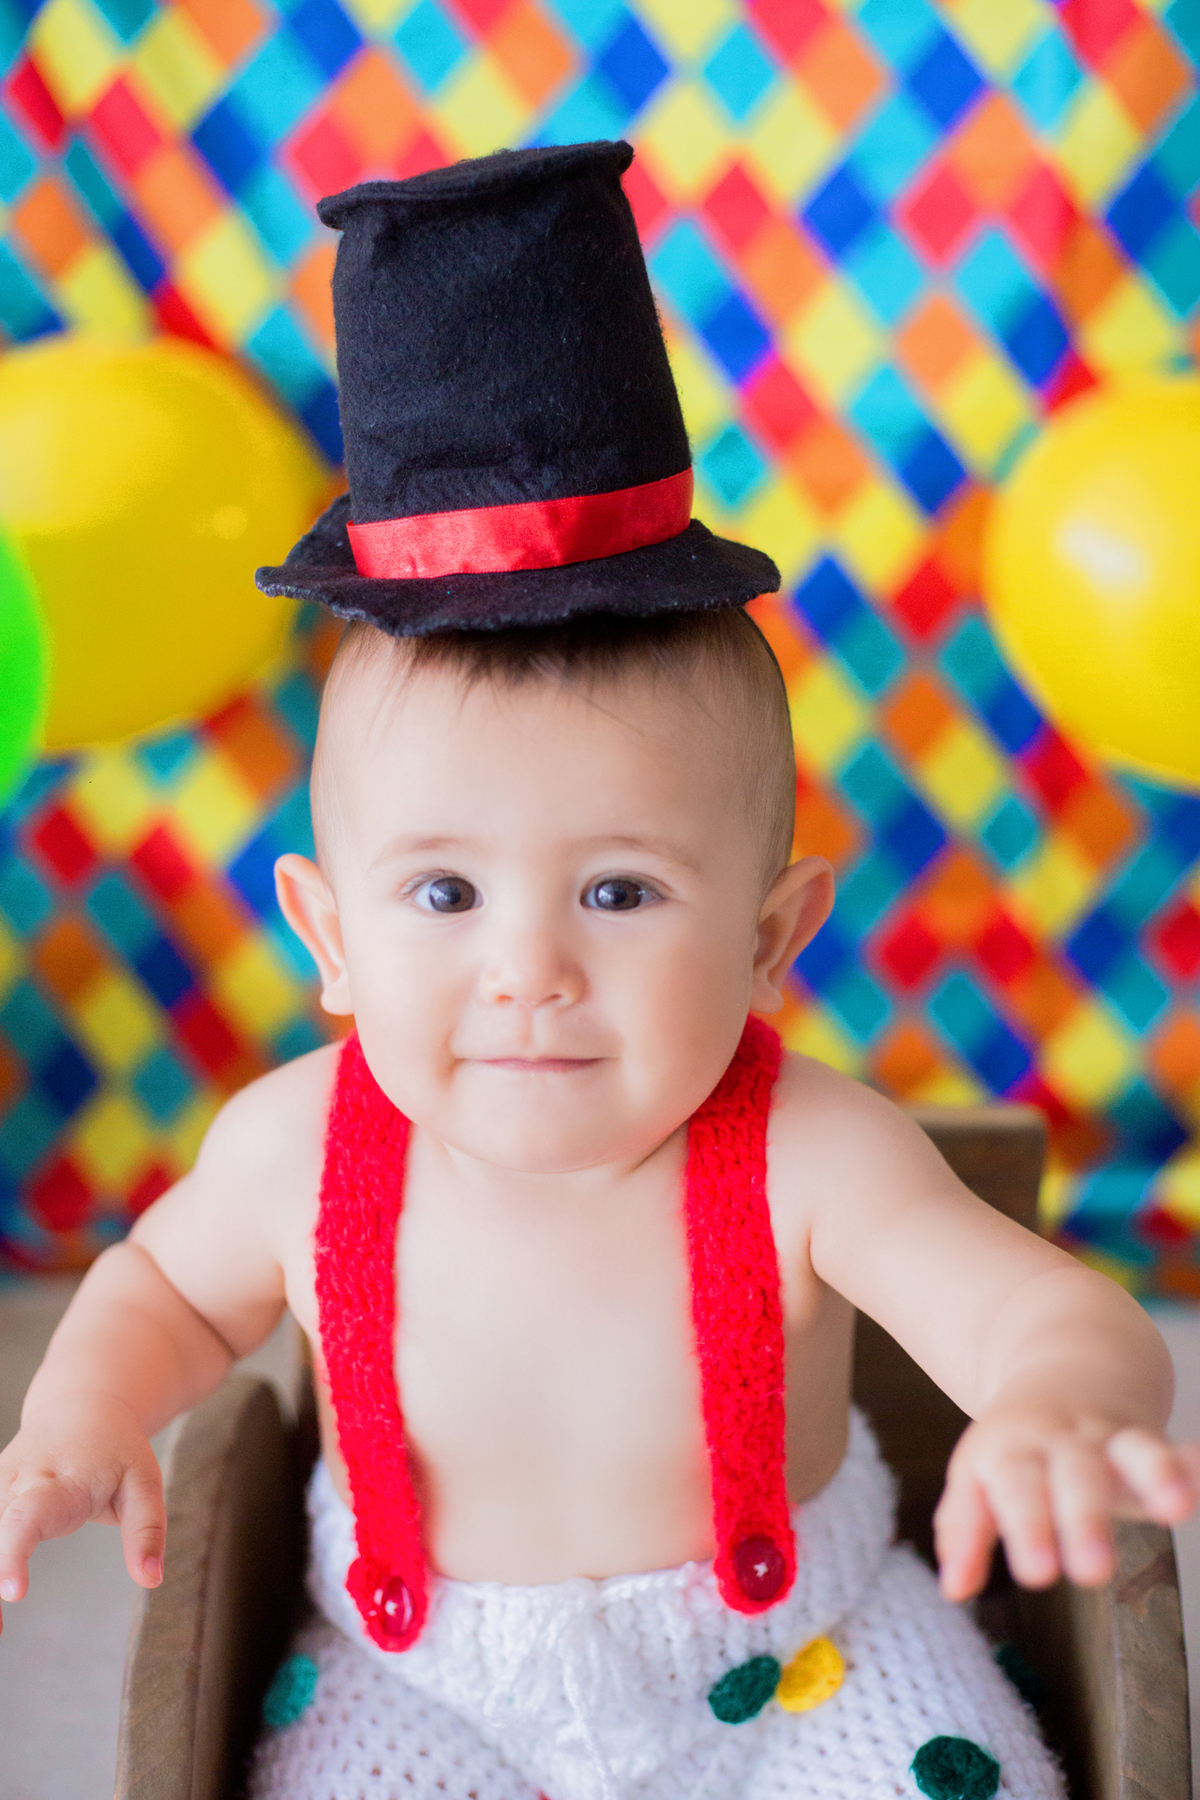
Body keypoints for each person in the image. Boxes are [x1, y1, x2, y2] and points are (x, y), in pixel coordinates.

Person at [1, 143, 1196, 1800]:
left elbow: (1041, 1308)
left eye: (622, 891)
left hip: (798, 1661)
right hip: (416, 1674)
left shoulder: (808, 1154)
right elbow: (163, 1291)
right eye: (441, 893)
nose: (530, 971)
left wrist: (1055, 1404)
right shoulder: (295, 1146)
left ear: (772, 939)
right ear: (327, 935)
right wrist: (79, 1416)